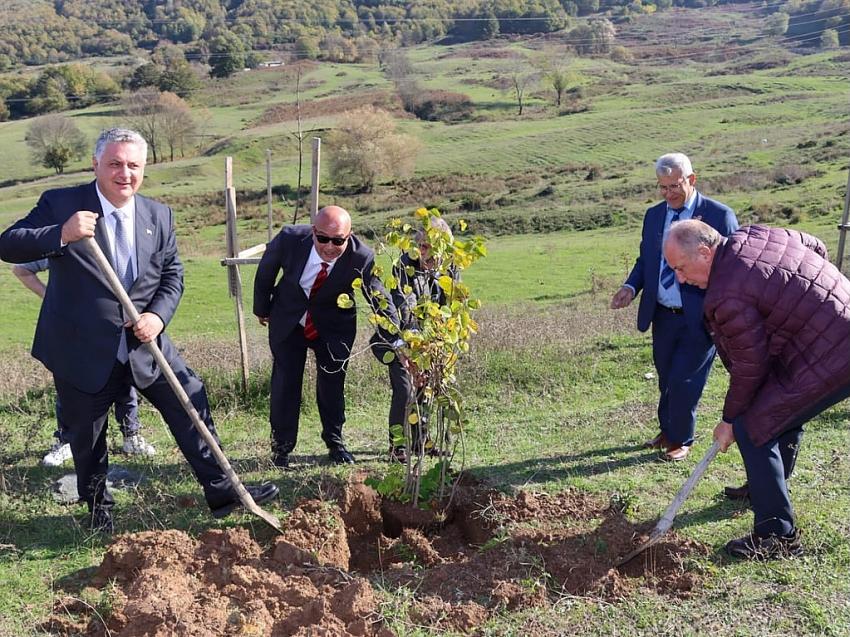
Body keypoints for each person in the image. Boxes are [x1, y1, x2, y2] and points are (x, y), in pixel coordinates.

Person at [0, 128, 278, 533]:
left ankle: (223, 490)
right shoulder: (62, 204)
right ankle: (99, 510)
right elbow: (8, 245)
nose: (124, 173)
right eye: (114, 163)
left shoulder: (157, 215)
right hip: (81, 345)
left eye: (133, 165)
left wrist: (158, 317)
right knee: (87, 435)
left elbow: (172, 274)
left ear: (144, 169)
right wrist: (60, 234)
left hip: (146, 341)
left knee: (190, 403)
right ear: (95, 165)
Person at [664, 220, 850, 559]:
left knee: (753, 428)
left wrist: (730, 420)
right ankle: (767, 487)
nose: (680, 278)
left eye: (681, 267)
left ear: (704, 253)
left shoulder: (726, 295)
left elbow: (751, 370)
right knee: (776, 415)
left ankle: (776, 536)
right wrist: (811, 304)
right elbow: (816, 246)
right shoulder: (753, 235)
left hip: (832, 355)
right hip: (830, 335)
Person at [610, 153, 738, 461]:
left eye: (674, 186)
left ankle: (682, 439)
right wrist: (630, 287)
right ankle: (668, 430)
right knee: (667, 375)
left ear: (692, 180)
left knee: (685, 379)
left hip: (701, 317)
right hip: (663, 314)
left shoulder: (719, 216)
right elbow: (647, 261)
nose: (668, 194)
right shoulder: (654, 216)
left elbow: (734, 267)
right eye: (662, 187)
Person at [253, 205, 395, 468]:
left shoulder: (361, 257)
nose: (330, 246)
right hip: (289, 320)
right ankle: (281, 449)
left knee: (332, 384)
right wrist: (262, 309)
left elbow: (377, 295)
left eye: (338, 240)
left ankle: (335, 443)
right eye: (323, 238)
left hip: (333, 325)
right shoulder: (290, 239)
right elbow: (266, 271)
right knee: (285, 384)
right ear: (313, 232)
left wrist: (396, 335)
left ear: (349, 236)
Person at [13, 259, 157, 466]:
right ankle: (67, 441)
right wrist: (52, 298)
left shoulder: (123, 242)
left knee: (125, 381)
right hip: (76, 332)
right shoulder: (67, 241)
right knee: (72, 387)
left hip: (118, 329)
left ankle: (131, 436)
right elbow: (21, 269)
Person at [370, 217, 456, 463]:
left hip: (430, 341)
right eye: (424, 246)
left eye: (434, 247)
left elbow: (450, 306)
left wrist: (438, 346)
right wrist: (411, 350)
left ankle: (421, 443)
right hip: (396, 340)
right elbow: (403, 315)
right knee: (405, 389)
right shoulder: (403, 270)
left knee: (426, 389)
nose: (427, 252)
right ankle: (397, 448)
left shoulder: (449, 268)